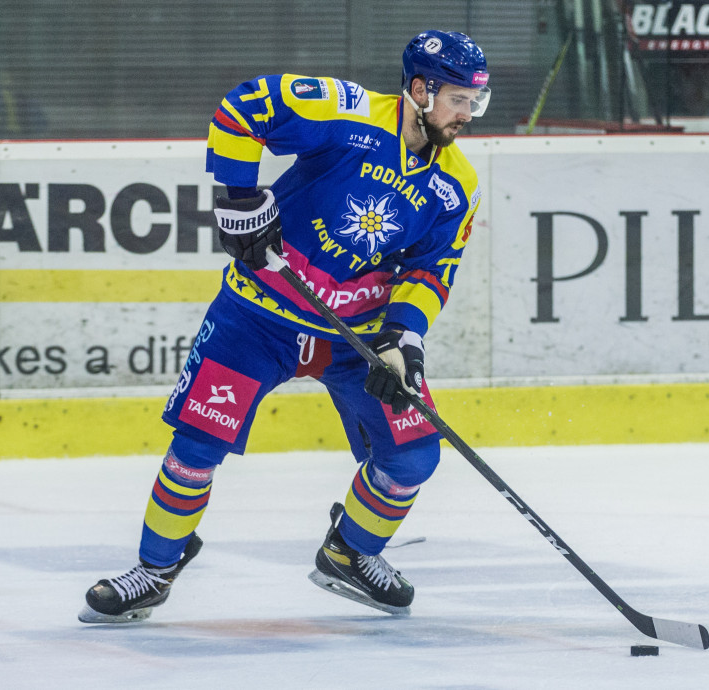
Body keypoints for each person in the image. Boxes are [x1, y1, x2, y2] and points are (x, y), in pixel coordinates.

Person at [78, 29, 490, 623]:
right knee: (195, 449)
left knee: (414, 457)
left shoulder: (458, 185)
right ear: (421, 90)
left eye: (475, 102)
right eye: (459, 100)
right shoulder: (349, 113)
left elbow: (431, 270)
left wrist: (403, 339)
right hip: (257, 317)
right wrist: (239, 198)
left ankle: (350, 553)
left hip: (354, 337)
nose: (467, 114)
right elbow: (243, 108)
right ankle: (155, 570)